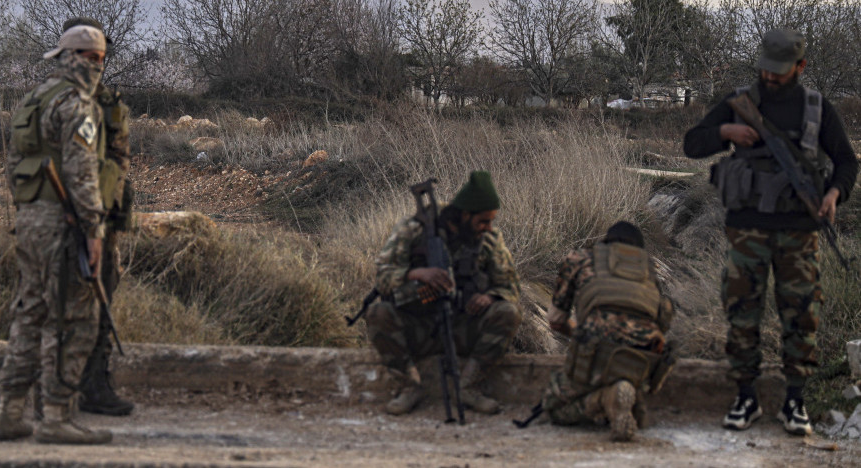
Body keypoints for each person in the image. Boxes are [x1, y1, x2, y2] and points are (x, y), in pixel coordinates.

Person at [683, 27, 858, 435]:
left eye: (780, 71)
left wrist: (834, 193)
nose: (771, 77)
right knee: (742, 314)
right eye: (767, 69)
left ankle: (794, 400)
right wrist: (726, 132)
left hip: (799, 232)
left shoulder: (817, 108)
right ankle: (746, 397)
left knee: (802, 316)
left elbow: (848, 162)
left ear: (801, 66)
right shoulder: (740, 103)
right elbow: (692, 143)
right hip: (746, 230)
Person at [0, 24, 112, 444]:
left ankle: (10, 411)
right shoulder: (78, 106)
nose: (98, 68)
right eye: (96, 60)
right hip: (64, 224)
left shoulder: (33, 100)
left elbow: (10, 166)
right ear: (87, 59)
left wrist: (29, 211)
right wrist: (94, 230)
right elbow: (82, 173)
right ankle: (56, 417)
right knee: (73, 318)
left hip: (30, 222)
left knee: (30, 312)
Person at [364, 171, 521, 416]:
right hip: (419, 326)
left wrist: (491, 297)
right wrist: (416, 274)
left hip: (462, 325)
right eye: (483, 221)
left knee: (507, 312)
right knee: (378, 313)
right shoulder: (415, 228)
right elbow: (382, 276)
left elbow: (510, 285)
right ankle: (409, 386)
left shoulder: (489, 238)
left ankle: (469, 387)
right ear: (465, 214)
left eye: (491, 221)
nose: (488, 227)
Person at [60, 17, 135, 417]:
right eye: (89, 55)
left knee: (102, 296)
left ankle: (95, 382)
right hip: (61, 220)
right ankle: (54, 390)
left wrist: (102, 215)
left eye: (101, 55)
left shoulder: (108, 103)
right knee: (57, 305)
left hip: (102, 221)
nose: (97, 63)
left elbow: (119, 160)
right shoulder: (54, 101)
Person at [541, 221, 675, 442]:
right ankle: (632, 400)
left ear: (606, 241)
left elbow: (555, 320)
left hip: (596, 350)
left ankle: (604, 399)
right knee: (629, 366)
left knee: (554, 407)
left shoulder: (580, 258)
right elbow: (663, 323)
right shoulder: (649, 270)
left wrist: (579, 334)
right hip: (641, 358)